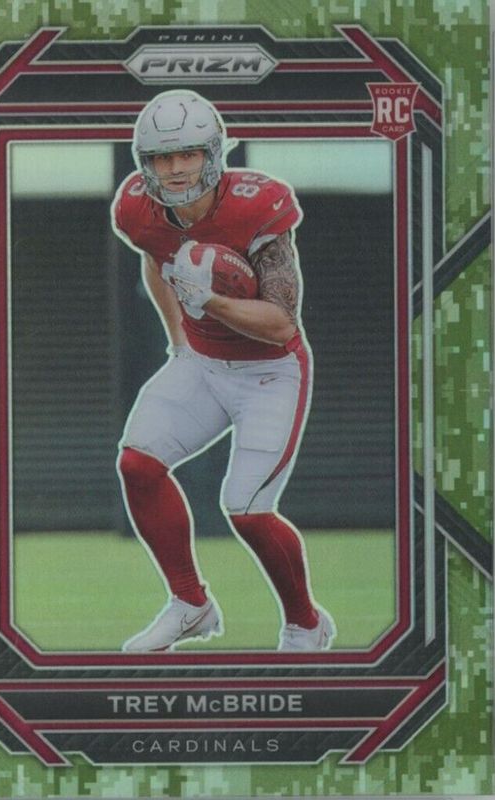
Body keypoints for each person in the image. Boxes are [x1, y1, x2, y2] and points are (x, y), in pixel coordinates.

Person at [112, 89, 335, 653]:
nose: (175, 168)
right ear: (145, 162)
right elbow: (154, 256)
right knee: (138, 464)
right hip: (204, 364)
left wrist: (209, 302)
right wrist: (180, 341)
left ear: (212, 153)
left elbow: (281, 324)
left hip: (270, 374)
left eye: (187, 154)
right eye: (162, 157)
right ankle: (191, 605)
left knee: (248, 510)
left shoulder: (258, 205)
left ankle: (306, 625)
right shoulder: (137, 208)